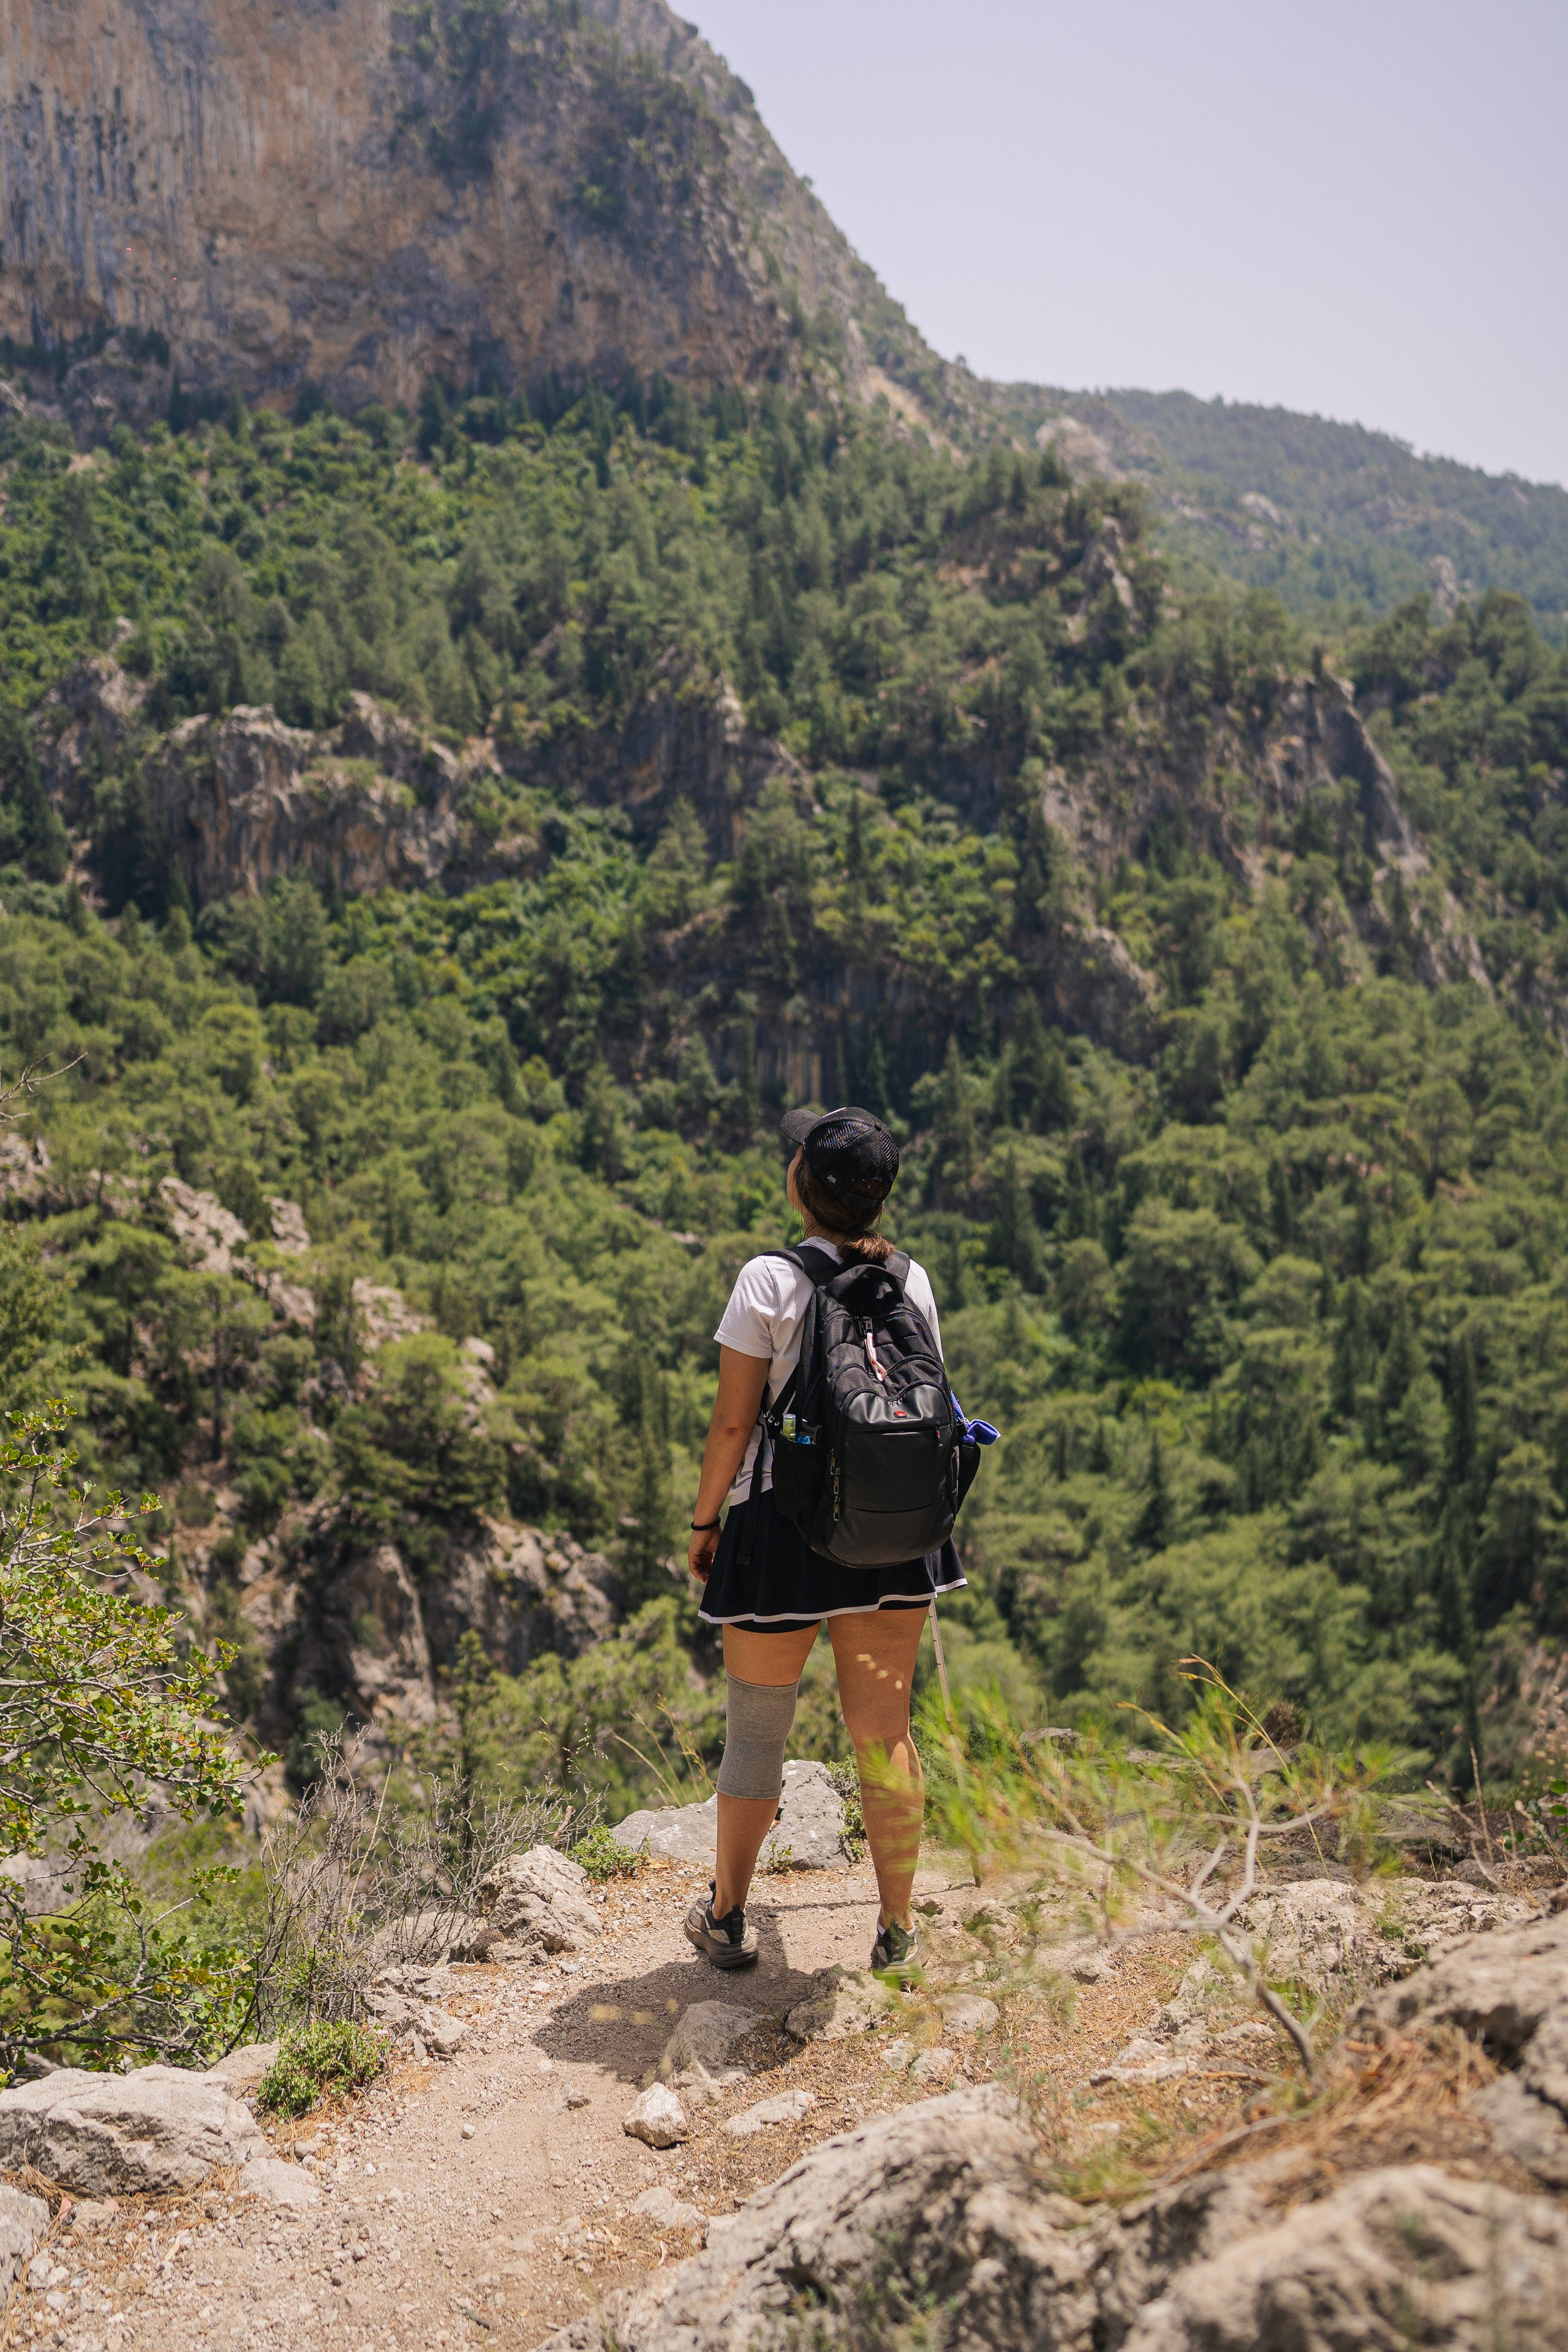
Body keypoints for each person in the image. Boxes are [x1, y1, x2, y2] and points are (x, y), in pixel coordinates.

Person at [683, 1103, 965, 1981]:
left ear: (803, 1184)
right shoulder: (911, 1281)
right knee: (885, 1735)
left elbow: (734, 1424)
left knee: (757, 1734)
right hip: (892, 1535)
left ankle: (727, 1920)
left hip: (780, 1533)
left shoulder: (767, 1281)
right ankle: (897, 1929)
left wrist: (704, 1523)